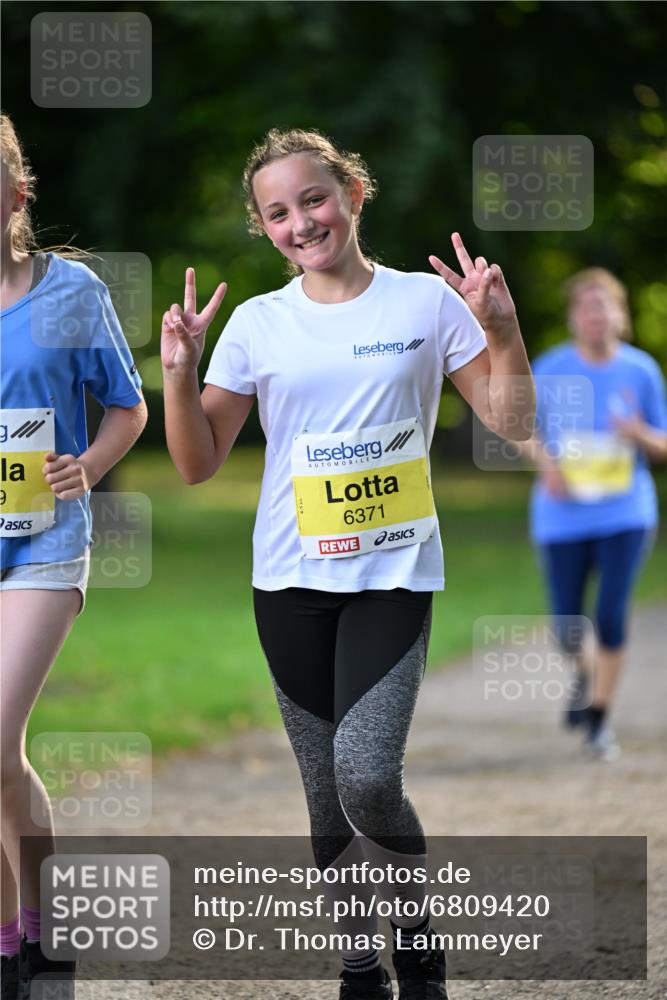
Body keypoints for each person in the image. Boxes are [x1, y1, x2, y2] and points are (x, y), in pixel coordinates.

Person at [162, 127, 534, 1000]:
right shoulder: (257, 323)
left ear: (353, 194)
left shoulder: (425, 304)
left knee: (367, 777)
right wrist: (178, 376)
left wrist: (505, 331)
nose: (301, 221)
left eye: (314, 199)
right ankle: (359, 963)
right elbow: (193, 463)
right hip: (288, 585)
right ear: (263, 228)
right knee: (325, 798)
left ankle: (416, 941)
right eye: (278, 212)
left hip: (391, 577)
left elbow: (512, 421)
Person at [0, 113, 147, 1000]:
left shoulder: (72, 292)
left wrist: (85, 467)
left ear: (15, 196)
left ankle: (37, 928)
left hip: (47, 543)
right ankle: (22, 933)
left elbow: (126, 408)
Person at [526, 268, 667, 761]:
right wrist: (548, 465)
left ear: (619, 314)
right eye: (585, 306)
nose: (595, 314)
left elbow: (663, 442)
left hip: (626, 513)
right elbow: (520, 429)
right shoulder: (548, 368)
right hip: (562, 513)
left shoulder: (641, 370)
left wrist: (637, 433)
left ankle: (600, 722)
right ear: (573, 318)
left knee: (610, 614)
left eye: (603, 304)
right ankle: (588, 677)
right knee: (566, 624)